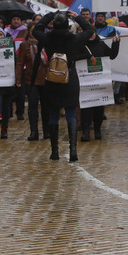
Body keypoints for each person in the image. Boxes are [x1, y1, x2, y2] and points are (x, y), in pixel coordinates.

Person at [33, 10, 94, 161]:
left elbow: (36, 29)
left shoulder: (47, 38)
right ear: (67, 25)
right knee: (71, 114)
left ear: (54, 24)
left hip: (52, 78)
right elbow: (89, 30)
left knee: (53, 114)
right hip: (70, 77)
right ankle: (73, 151)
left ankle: (55, 152)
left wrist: (49, 15)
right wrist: (77, 17)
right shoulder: (74, 39)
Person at [79, 31, 120, 141]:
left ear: (96, 33)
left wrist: (115, 44)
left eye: (92, 33)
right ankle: (86, 131)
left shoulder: (101, 44)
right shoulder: (81, 45)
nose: (91, 36)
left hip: (100, 81)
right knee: (86, 108)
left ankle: (97, 129)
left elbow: (112, 55)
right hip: (86, 81)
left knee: (99, 108)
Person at [16, 22, 48, 141]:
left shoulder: (45, 43)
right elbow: (20, 62)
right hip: (31, 79)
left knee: (46, 106)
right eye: (32, 31)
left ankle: (47, 130)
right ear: (28, 31)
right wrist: (18, 78)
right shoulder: (25, 45)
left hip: (45, 78)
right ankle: (34, 131)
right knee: (33, 106)